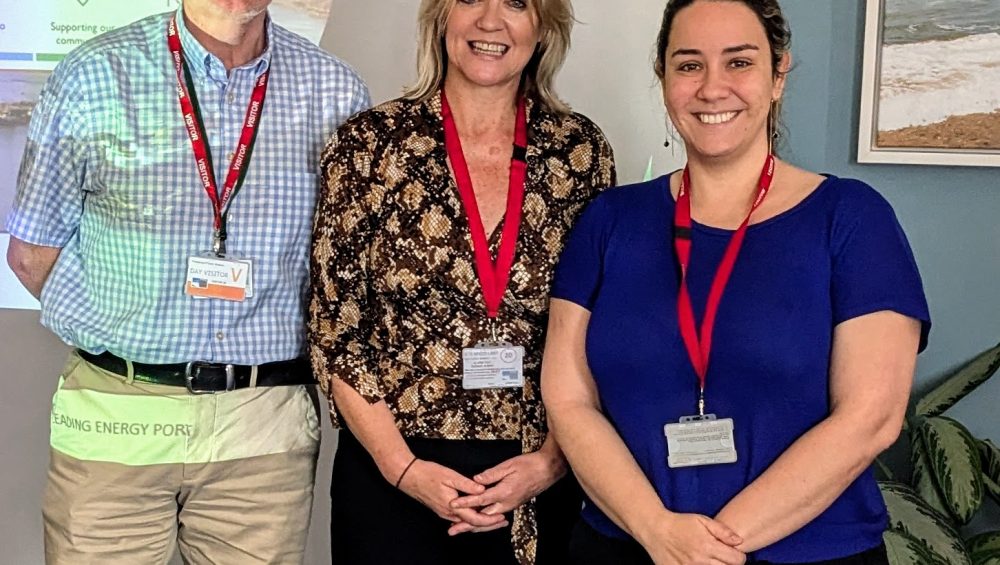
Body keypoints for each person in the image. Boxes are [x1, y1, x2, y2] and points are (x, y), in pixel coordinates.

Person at [541, 0, 931, 563]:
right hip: (624, 544)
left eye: (740, 62)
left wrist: (711, 547)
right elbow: (569, 396)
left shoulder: (851, 218)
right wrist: (657, 530)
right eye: (689, 64)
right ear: (664, 77)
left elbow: (869, 418)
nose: (712, 87)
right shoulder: (609, 220)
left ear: (777, 76)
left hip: (808, 552)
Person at [5, 0, 369, 562]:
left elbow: (342, 266)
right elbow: (32, 251)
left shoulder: (335, 91)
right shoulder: (95, 74)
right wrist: (120, 337)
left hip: (263, 429)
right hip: (117, 417)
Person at [307, 0, 615, 563]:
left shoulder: (580, 152)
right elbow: (335, 328)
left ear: (542, 28)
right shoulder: (369, 146)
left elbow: (603, 323)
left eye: (517, 4)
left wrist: (552, 461)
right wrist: (405, 470)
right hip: (395, 473)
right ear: (441, 18)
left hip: (536, 471)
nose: (491, 21)